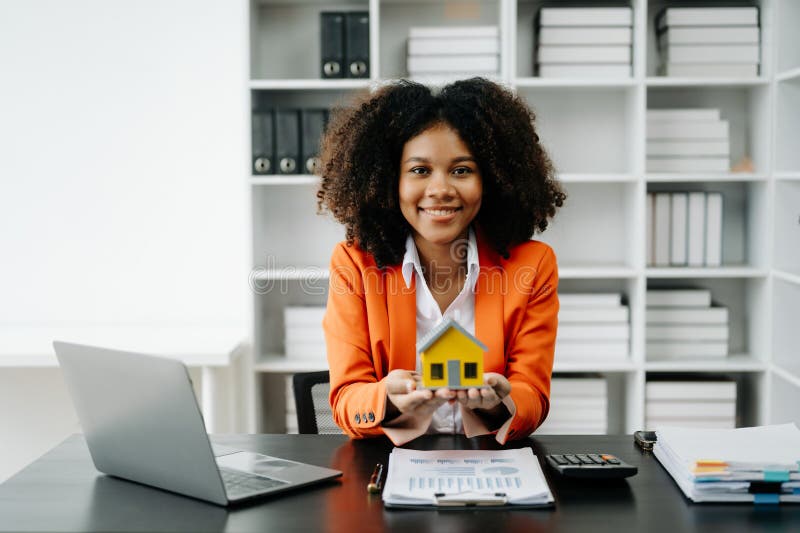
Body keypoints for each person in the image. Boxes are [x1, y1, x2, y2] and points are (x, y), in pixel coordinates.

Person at [316, 78, 565, 445]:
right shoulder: (354, 264)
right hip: (389, 468)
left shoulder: (532, 265)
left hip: (490, 466)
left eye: (461, 170)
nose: (441, 190)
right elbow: (347, 399)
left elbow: (533, 395)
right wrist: (388, 400)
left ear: (492, 179)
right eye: (419, 170)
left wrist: (499, 403)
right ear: (389, 181)